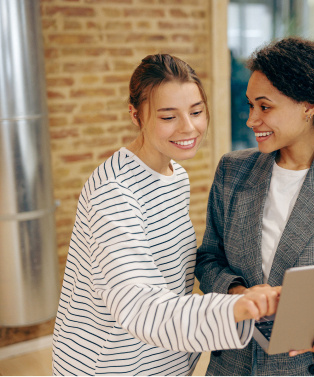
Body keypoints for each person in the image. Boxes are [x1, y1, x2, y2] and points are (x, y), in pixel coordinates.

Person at [51, 54, 281, 376]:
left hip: (164, 357)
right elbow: (140, 306)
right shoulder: (113, 193)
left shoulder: (176, 175)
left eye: (197, 112)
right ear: (135, 115)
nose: (189, 127)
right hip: (111, 364)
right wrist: (238, 306)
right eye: (168, 117)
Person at [195, 37, 314, 376]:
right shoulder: (232, 170)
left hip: (307, 366)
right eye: (251, 105)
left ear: (308, 107)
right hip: (232, 363)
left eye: (265, 107)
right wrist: (241, 296)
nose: (253, 119)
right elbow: (209, 259)